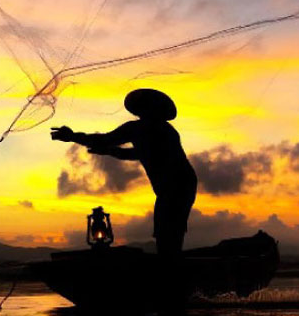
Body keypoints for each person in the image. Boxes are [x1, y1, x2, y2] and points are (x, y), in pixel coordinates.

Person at [51, 88, 198, 260]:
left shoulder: (137, 128)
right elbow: (139, 153)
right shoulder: (166, 130)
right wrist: (110, 151)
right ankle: (171, 263)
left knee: (167, 227)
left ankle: (170, 268)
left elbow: (105, 139)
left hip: (175, 186)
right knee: (171, 228)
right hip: (184, 183)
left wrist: (73, 136)